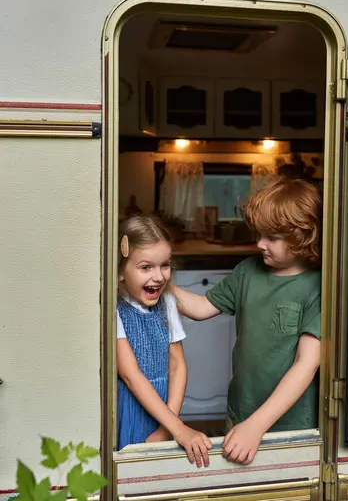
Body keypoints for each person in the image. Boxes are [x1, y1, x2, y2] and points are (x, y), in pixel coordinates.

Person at [169, 177, 322, 466]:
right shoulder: (247, 272)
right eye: (260, 234)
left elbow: (306, 364)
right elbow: (201, 308)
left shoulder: (319, 286)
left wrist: (257, 426)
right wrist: (160, 279)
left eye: (272, 238)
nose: (259, 243)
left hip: (290, 425)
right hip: (240, 411)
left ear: (303, 235)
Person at [117, 214, 212, 467]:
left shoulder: (167, 301)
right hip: (132, 407)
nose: (158, 277)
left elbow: (177, 365)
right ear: (120, 272)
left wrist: (169, 427)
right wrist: (179, 429)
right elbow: (131, 375)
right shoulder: (113, 310)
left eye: (165, 265)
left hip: (167, 411)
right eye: (146, 267)